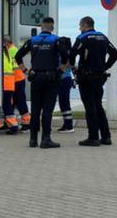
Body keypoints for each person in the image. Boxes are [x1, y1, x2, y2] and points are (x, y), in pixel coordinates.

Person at [15, 17, 70, 148]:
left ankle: (33, 140)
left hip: (36, 78)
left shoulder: (32, 41)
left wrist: (26, 71)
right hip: (51, 78)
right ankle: (46, 139)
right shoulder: (56, 40)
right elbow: (66, 56)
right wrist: (60, 71)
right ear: (52, 27)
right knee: (47, 110)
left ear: (41, 27)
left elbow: (18, 56)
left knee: (35, 110)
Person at [70, 16, 117, 146]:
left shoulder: (83, 38)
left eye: (80, 26)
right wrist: (105, 67)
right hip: (99, 77)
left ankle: (93, 137)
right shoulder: (102, 37)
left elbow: (72, 53)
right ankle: (106, 136)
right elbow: (115, 53)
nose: (79, 28)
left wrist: (73, 68)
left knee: (90, 107)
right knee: (98, 105)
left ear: (85, 25)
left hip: (86, 77)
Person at [7, 36, 31, 131]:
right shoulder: (13, 49)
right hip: (16, 80)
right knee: (14, 102)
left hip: (16, 80)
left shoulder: (10, 51)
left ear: (6, 43)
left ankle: (26, 124)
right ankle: (10, 123)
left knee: (19, 102)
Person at [56, 36, 75, 133]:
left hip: (63, 79)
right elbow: (73, 67)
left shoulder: (62, 54)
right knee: (64, 102)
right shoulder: (70, 54)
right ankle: (67, 123)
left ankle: (69, 125)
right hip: (67, 79)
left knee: (64, 102)